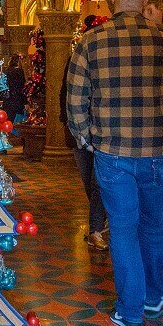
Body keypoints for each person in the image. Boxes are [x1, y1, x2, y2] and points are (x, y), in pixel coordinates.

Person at [66, 0, 163, 326]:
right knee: (154, 224)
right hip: (156, 151)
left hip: (113, 151)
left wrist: (87, 140)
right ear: (146, 0)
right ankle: (154, 295)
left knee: (123, 229)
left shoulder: (91, 41)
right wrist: (159, 23)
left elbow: (75, 100)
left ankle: (131, 312)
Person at [61, 16, 108, 250]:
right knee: (89, 182)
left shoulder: (108, 60)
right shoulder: (77, 58)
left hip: (102, 131)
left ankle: (96, 229)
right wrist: (72, 126)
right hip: (81, 132)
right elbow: (67, 94)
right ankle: (100, 222)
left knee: (97, 182)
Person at [1, 54, 26, 123]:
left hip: (8, 97)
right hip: (17, 97)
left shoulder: (7, 70)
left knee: (8, 116)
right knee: (16, 117)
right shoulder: (20, 71)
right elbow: (22, 84)